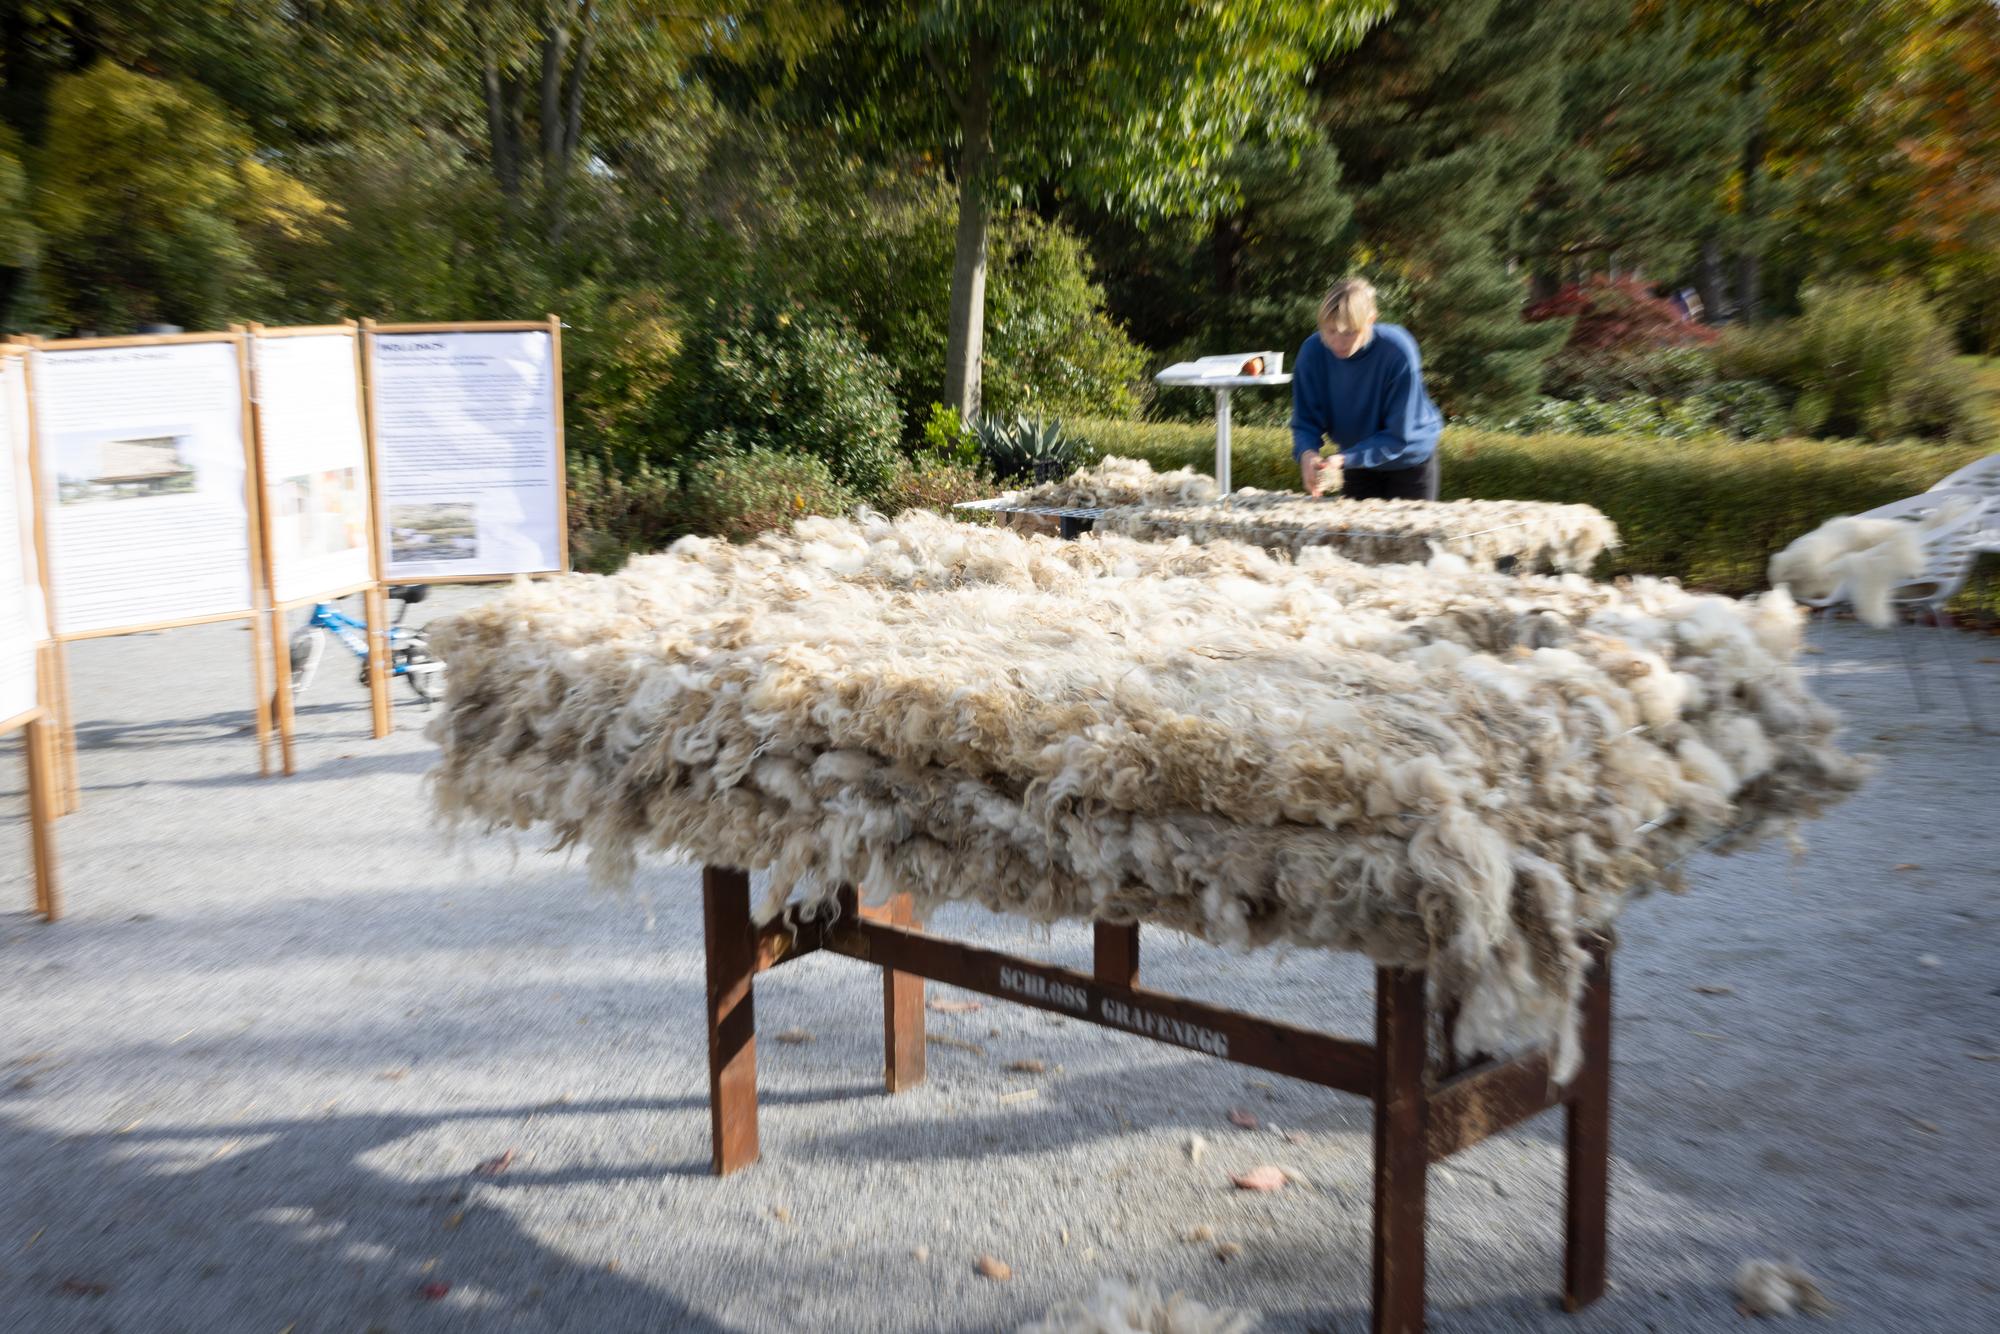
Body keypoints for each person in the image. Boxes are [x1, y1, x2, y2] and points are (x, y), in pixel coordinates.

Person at [1289, 278, 1443, 501]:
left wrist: (1343, 459)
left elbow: (1399, 435)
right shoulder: (1312, 352)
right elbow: (1305, 421)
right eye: (1331, 331)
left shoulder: (1397, 350)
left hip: (1409, 461)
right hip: (1354, 460)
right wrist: (1307, 453)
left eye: (1349, 332)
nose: (1338, 342)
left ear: (1371, 320)